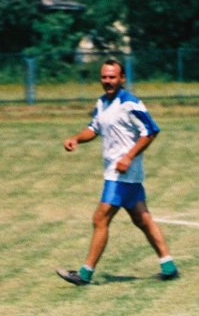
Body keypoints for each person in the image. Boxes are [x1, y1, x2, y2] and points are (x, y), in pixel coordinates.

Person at [56, 59, 179, 285]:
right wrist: (76, 138)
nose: (108, 81)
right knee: (142, 218)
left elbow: (150, 131)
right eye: (104, 77)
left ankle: (84, 274)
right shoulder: (102, 103)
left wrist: (128, 157)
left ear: (122, 79)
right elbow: (93, 128)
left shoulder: (130, 104)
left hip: (122, 173)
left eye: (113, 77)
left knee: (100, 217)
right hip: (118, 173)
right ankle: (169, 267)